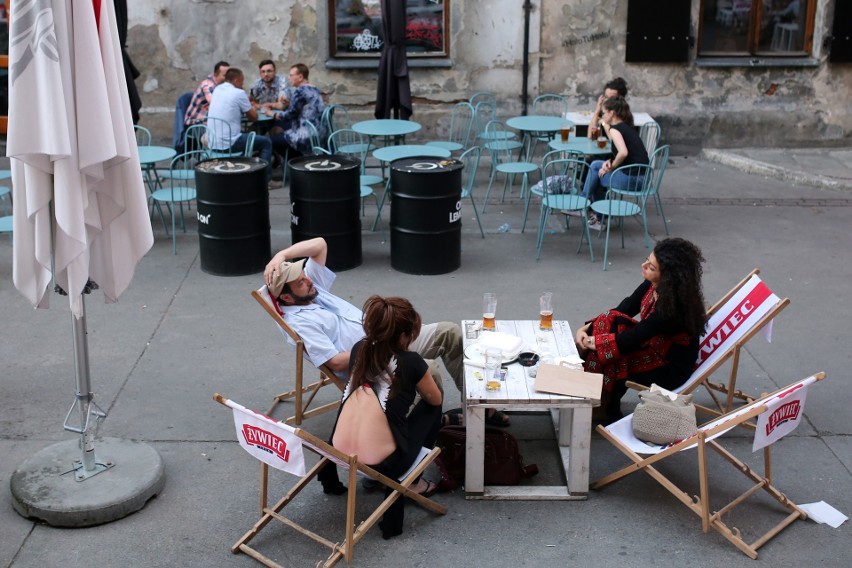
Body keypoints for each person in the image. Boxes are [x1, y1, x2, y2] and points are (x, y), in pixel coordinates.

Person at [264, 237, 512, 427]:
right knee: (427, 368)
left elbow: (319, 244)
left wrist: (282, 254)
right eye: (300, 282)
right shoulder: (300, 323)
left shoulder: (311, 289)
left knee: (450, 332)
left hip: (388, 338)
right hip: (372, 361)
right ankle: (434, 428)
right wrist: (378, 346)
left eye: (304, 277)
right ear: (286, 297)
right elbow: (334, 361)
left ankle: (476, 408)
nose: (308, 281)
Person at [317, 295, 443, 539]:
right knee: (432, 408)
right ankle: (412, 478)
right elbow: (434, 400)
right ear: (405, 336)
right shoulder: (412, 362)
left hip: (338, 450)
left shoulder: (358, 349)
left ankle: (372, 469)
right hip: (381, 463)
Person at [574, 238, 707, 423]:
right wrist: (586, 329)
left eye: (651, 267)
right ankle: (598, 401)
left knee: (614, 355)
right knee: (608, 321)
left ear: (667, 276)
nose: (644, 265)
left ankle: (604, 406)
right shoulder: (655, 285)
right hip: (651, 344)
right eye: (647, 260)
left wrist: (589, 342)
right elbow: (623, 309)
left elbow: (635, 337)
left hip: (668, 365)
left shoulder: (673, 306)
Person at [580, 97, 649, 230]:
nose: (602, 115)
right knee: (596, 166)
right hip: (643, 178)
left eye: (604, 112)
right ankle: (594, 214)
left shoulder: (616, 129)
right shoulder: (625, 127)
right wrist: (610, 162)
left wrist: (611, 167)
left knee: (597, 173)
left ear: (612, 113)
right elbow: (625, 152)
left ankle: (584, 206)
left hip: (633, 180)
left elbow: (623, 153)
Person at [206, 68, 278, 188]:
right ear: (235, 81)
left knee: (248, 135)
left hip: (212, 142)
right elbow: (254, 118)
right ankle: (266, 181)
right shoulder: (238, 93)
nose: (242, 84)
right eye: (241, 82)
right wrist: (253, 107)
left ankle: (243, 171)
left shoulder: (218, 89)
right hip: (228, 144)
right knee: (266, 142)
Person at [266, 63, 327, 157]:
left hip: (305, 136)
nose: (289, 78)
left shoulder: (300, 91)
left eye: (291, 75)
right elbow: (304, 108)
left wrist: (272, 114)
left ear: (300, 77)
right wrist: (289, 103)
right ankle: (295, 161)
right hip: (319, 133)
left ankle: (295, 162)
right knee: (281, 129)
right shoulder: (314, 88)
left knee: (269, 141)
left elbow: (290, 115)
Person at [184, 60, 229, 126]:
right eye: (225, 75)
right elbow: (215, 104)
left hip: (209, 122)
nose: (228, 78)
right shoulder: (207, 86)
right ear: (215, 75)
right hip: (195, 124)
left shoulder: (223, 86)